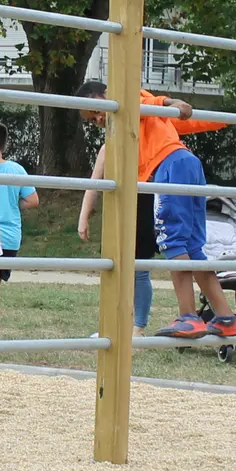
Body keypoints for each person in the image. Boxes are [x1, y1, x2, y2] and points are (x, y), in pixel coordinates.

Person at [75, 81, 236, 339]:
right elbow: (196, 122)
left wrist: (170, 102)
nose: (99, 120)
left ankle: (189, 317)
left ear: (107, 97)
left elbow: (145, 102)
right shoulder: (147, 122)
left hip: (170, 167)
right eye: (92, 120)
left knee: (173, 243)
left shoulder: (126, 101)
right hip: (189, 164)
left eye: (98, 111)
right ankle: (226, 316)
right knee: (192, 248)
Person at [77, 142, 158, 336]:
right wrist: (83, 217)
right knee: (113, 271)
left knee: (139, 273)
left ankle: (138, 328)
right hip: (116, 215)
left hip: (144, 213)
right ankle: (112, 326)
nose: (97, 120)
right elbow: (94, 183)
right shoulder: (108, 148)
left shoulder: (150, 144)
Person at [0, 122, 38, 343]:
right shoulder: (16, 169)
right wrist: (14, 203)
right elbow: (33, 200)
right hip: (10, 238)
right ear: (5, 144)